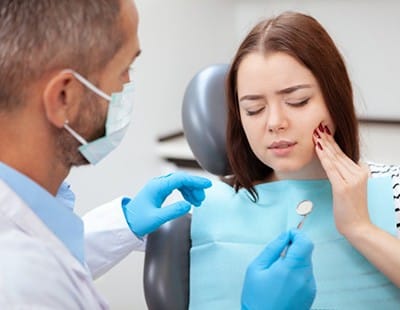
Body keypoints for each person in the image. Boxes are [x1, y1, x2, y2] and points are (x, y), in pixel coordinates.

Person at [0, 1, 314, 309]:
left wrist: (125, 223)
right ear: (64, 97)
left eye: (298, 100)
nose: (128, 84)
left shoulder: (28, 234)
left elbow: (60, 258)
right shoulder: (23, 283)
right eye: (124, 69)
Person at [189, 11, 400, 309]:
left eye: (297, 101)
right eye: (254, 109)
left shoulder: (393, 187)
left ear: (334, 99)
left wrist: (360, 228)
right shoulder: (203, 209)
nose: (275, 122)